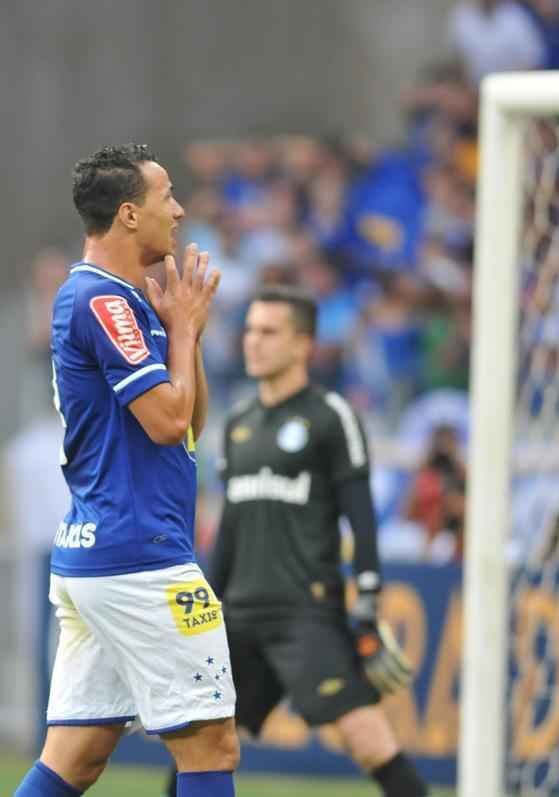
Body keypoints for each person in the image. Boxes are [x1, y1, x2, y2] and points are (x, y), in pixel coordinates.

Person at [13, 144, 238, 797]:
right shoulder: (102, 302)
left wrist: (181, 330)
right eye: (167, 195)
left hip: (100, 553)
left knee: (75, 759)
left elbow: (191, 425)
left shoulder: (122, 301)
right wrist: (188, 332)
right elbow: (168, 421)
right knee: (211, 745)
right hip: (140, 556)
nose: (180, 208)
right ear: (131, 214)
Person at [167, 286, 427, 797]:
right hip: (239, 615)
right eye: (249, 330)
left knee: (367, 740)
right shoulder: (239, 424)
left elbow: (362, 518)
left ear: (303, 345)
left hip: (305, 615)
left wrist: (369, 600)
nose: (253, 342)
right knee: (195, 748)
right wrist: (207, 609)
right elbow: (231, 529)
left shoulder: (331, 416)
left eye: (268, 332)